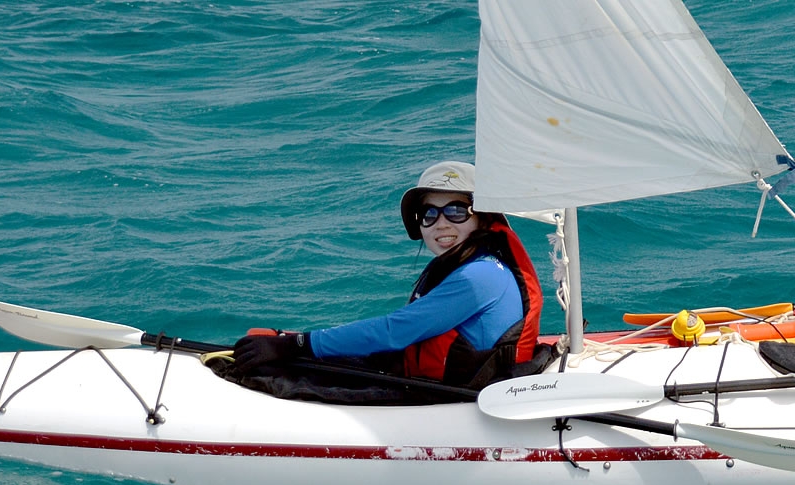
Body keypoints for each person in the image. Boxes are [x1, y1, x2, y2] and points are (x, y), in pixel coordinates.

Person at [228, 161, 552, 393]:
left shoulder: (479, 277)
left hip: (451, 394)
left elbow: (393, 332)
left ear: (483, 219)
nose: (441, 223)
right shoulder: (478, 265)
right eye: (429, 214)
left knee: (275, 364)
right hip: (432, 377)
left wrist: (296, 344)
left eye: (455, 211)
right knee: (267, 343)